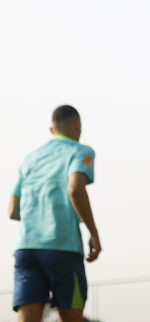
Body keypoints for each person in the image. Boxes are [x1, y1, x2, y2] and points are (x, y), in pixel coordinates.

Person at [8, 105, 101, 322]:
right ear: (77, 124)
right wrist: (93, 233)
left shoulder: (30, 158)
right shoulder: (81, 151)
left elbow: (12, 209)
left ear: (52, 130)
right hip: (63, 249)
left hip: (26, 250)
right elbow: (75, 188)